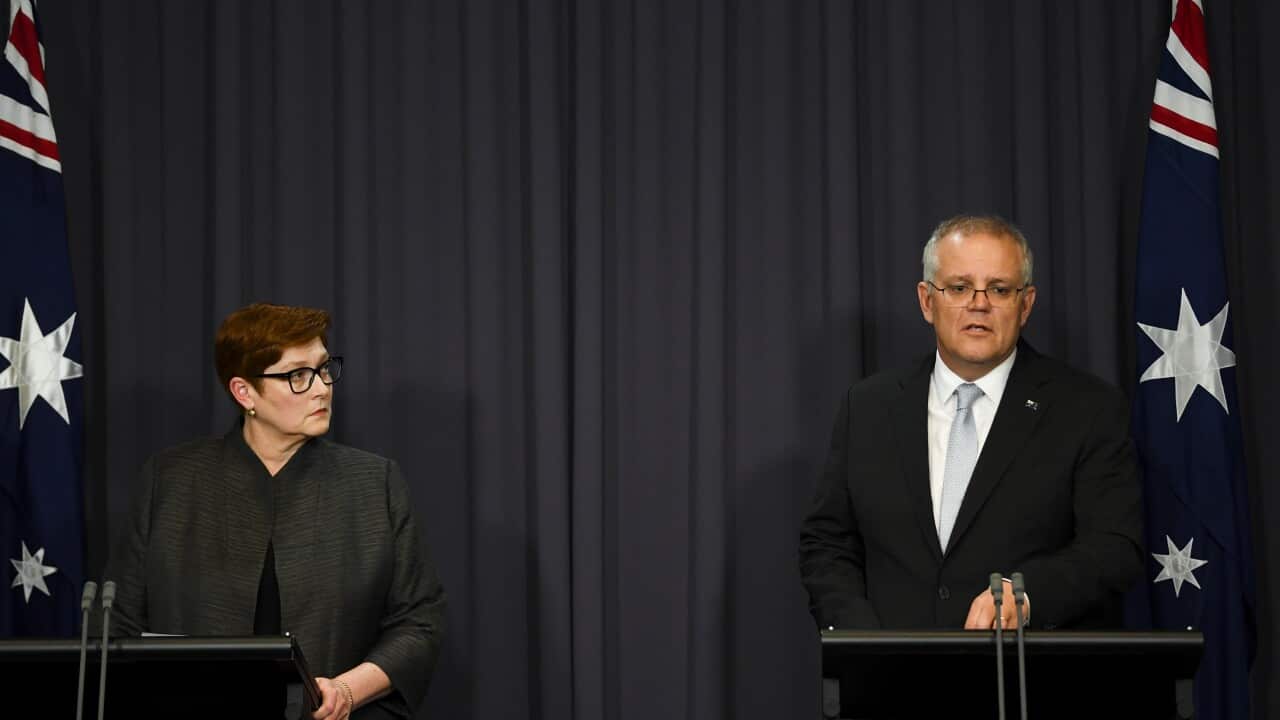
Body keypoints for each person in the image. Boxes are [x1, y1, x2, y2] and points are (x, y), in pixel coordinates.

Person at [799, 215, 1143, 631]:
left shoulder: (1087, 409)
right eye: (959, 288)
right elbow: (828, 542)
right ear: (927, 301)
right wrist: (863, 640)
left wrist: (1029, 595)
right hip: (889, 684)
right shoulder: (869, 406)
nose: (979, 304)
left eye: (999, 289)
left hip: (1027, 682)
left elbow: (1114, 548)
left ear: (1026, 304)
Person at [104, 303, 446, 719]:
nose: (322, 387)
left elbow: (419, 622)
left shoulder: (373, 483)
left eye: (324, 369)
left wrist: (346, 690)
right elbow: (117, 627)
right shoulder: (171, 481)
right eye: (298, 376)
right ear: (245, 392)